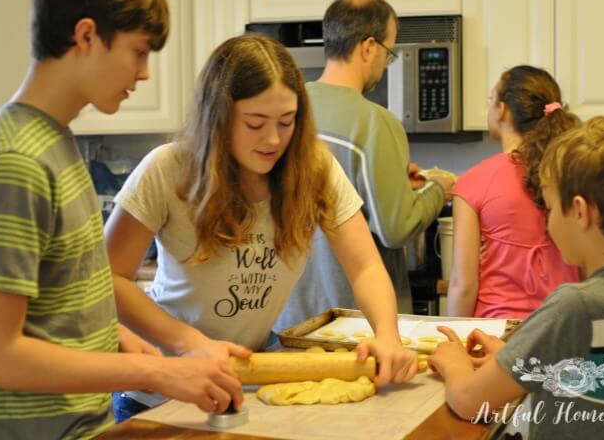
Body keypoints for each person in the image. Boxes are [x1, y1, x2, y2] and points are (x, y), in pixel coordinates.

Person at [0, 0, 248, 439]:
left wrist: (121, 341)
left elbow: (55, 306)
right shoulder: (16, 160)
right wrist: (155, 374)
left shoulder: (53, 142)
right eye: (138, 52)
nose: (143, 74)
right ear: (86, 36)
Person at [104, 33, 418, 421]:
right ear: (216, 118)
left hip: (248, 381)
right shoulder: (167, 170)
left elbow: (366, 266)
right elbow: (109, 279)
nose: (273, 139)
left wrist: (387, 335)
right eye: (254, 124)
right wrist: (191, 345)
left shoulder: (313, 168)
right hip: (162, 388)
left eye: (286, 122)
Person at [429, 117, 604, 439]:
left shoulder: (575, 307)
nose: (547, 224)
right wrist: (515, 358)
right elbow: (599, 381)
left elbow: (468, 400)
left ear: (580, 211)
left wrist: (454, 364)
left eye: (548, 209)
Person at [274, 0, 455, 332]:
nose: (386, 64)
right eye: (389, 52)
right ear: (368, 47)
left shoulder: (286, 110)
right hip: (356, 324)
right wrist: (437, 189)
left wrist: (397, 184)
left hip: (286, 317)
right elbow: (395, 229)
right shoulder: (375, 122)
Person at [447, 65, 580, 319]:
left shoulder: (473, 181)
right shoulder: (572, 174)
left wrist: (454, 342)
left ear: (502, 110)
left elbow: (463, 286)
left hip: (495, 338)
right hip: (563, 328)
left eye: (491, 99)